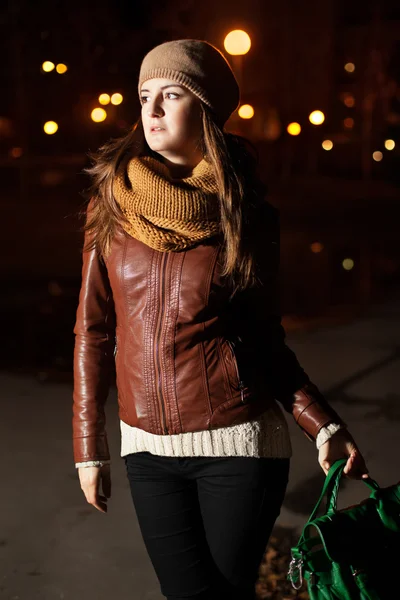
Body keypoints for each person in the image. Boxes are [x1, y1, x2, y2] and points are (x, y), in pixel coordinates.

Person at [72, 39, 368, 600]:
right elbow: (93, 330)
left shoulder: (246, 214)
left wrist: (320, 422)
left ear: (205, 109)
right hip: (147, 452)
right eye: (144, 96)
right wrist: (89, 445)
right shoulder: (110, 203)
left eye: (172, 93)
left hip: (240, 446)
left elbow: (263, 338)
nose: (152, 110)